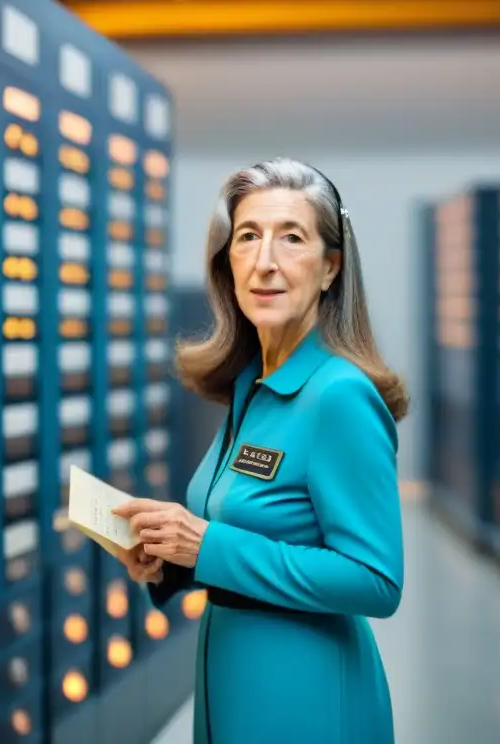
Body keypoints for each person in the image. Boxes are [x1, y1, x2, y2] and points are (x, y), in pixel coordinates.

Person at [112, 157, 408, 744]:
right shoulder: (255, 385)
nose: (265, 261)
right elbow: (255, 528)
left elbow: (376, 580)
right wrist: (171, 559)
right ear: (227, 263)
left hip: (306, 697)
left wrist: (208, 545)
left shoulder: (338, 397)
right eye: (248, 236)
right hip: (233, 678)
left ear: (330, 269)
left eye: (291, 238)